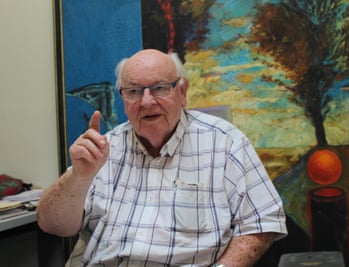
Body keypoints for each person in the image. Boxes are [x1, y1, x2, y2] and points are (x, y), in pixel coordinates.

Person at [37, 49, 287, 267]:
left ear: (182, 91)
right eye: (133, 91)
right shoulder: (103, 149)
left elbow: (261, 223)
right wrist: (78, 178)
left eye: (159, 88)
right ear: (123, 99)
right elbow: (52, 225)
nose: (146, 101)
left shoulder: (225, 142)